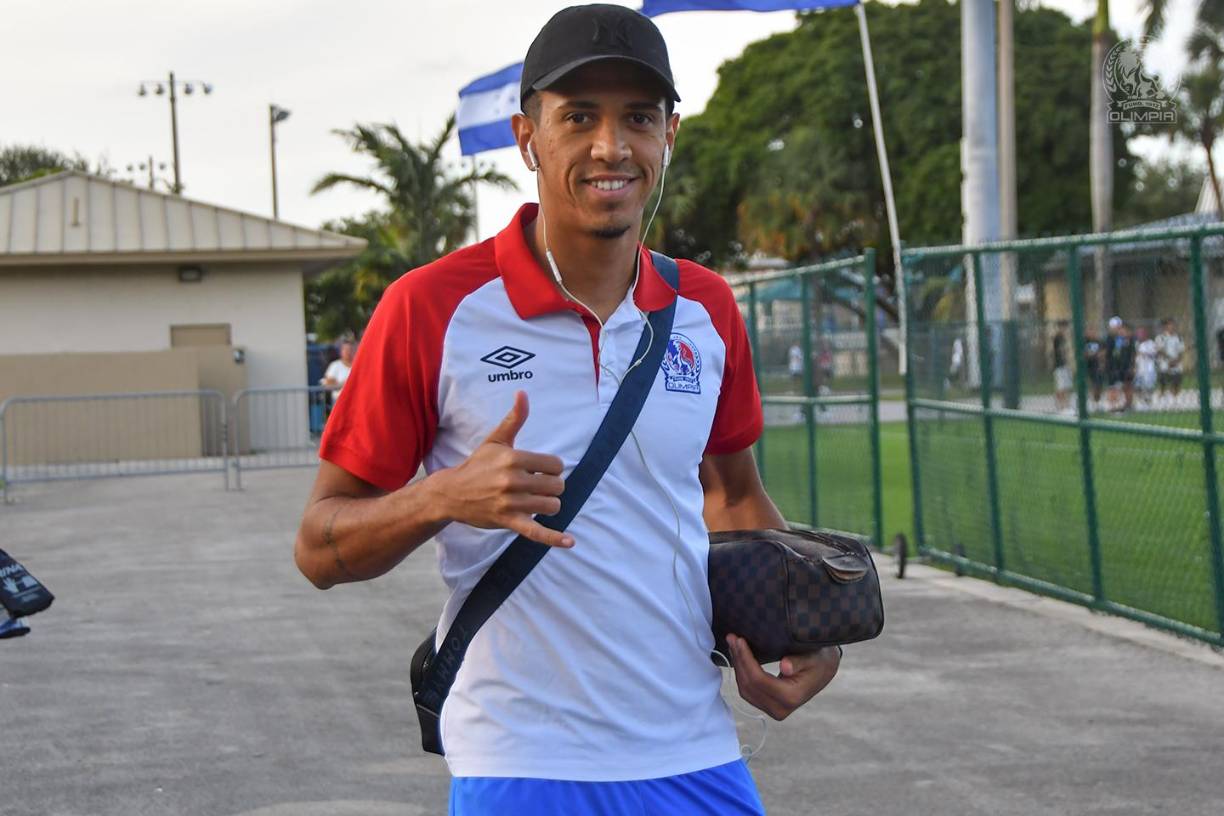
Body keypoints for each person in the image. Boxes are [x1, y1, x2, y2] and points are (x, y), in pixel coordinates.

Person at [293, 6, 839, 814]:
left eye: (638, 118)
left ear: (668, 138)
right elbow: (318, 547)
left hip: (692, 749)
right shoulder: (431, 308)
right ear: (528, 138)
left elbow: (732, 496)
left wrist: (807, 627)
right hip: (520, 760)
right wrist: (443, 498)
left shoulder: (707, 309)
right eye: (579, 116)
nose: (610, 146)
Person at [1104, 316, 1135, 412]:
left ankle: (1128, 405)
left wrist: (1132, 366)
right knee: (1113, 386)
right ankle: (1113, 406)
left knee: (1127, 385)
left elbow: (1131, 353)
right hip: (1113, 366)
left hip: (1124, 366)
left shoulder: (1127, 339)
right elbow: (1108, 353)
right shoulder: (1109, 339)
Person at [1155, 318, 1185, 409]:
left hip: (1176, 364)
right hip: (1165, 365)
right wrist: (1169, 360)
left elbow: (1181, 351)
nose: (1171, 327)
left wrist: (1176, 361)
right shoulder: (1161, 337)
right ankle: (1162, 402)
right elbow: (1160, 350)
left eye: (1172, 325)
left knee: (1176, 383)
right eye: (1169, 325)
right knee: (1163, 384)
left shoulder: (1178, 338)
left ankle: (1175, 402)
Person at [1134, 326, 1157, 409]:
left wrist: (1143, 353)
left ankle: (1148, 402)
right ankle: (1141, 401)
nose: (1140, 336)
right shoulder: (1136, 343)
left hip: (1149, 369)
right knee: (1138, 386)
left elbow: (1153, 354)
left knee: (1148, 387)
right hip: (1139, 368)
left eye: (1141, 334)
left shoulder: (1150, 343)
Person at [1052, 322, 1072, 413]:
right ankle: (1060, 406)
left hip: (1064, 365)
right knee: (1061, 386)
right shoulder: (1057, 339)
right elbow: (1060, 352)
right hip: (1059, 366)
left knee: (1066, 386)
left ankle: (1066, 405)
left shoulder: (1064, 339)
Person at [1084, 332, 1106, 411]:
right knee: (1093, 384)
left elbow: (1103, 353)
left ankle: (1097, 402)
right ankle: (1093, 402)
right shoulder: (1085, 342)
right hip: (1090, 366)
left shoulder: (1100, 342)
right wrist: (1093, 354)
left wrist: (1101, 363)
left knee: (1099, 385)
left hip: (1098, 366)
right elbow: (1085, 354)